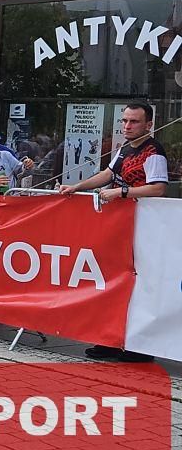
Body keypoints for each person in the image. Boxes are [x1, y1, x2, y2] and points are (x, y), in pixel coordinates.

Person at [58, 102, 165, 364]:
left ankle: (139, 344)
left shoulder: (153, 151)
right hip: (120, 225)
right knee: (113, 280)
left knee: (139, 284)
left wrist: (121, 192)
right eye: (124, 121)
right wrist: (77, 187)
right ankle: (111, 338)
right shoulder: (125, 149)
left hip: (144, 225)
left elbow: (158, 188)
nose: (127, 126)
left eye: (134, 122)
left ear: (149, 125)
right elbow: (107, 174)